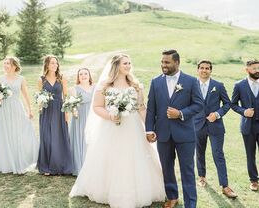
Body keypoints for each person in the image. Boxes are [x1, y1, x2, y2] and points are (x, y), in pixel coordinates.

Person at [70, 54, 165, 208]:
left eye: (129, 63)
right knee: (112, 157)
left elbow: (141, 108)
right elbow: (96, 107)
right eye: (125, 63)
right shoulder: (105, 86)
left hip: (133, 128)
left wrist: (149, 129)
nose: (128, 66)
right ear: (116, 66)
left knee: (135, 156)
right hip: (111, 128)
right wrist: (110, 116)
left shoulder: (136, 86)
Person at [145, 49, 203, 208]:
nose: (163, 65)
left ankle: (190, 203)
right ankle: (172, 196)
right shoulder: (155, 81)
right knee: (167, 168)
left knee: (187, 170)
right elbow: (151, 108)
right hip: (163, 134)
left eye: (167, 62)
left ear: (177, 63)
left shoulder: (191, 81)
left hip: (185, 134)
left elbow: (199, 105)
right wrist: (149, 129)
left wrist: (181, 113)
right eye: (162, 62)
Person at [194, 60, 237, 198]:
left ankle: (225, 186)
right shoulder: (191, 85)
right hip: (197, 125)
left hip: (216, 126)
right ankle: (201, 176)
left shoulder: (218, 85)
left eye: (207, 68)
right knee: (199, 152)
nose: (204, 70)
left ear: (211, 70)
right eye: (202, 68)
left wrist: (217, 114)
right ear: (198, 70)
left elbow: (227, 104)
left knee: (218, 154)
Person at [0, 57, 39, 174]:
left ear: (14, 65)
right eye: (4, 63)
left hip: (16, 108)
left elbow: (25, 95)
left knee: (18, 133)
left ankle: (20, 161)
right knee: (5, 134)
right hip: (3, 109)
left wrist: (30, 110)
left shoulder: (21, 79)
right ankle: (7, 163)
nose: (5, 65)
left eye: (8, 63)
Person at [37, 55, 72, 175]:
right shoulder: (41, 80)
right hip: (46, 111)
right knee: (46, 137)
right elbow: (40, 98)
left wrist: (66, 112)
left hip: (59, 110)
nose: (55, 65)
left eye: (56, 63)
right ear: (47, 64)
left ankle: (61, 165)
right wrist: (40, 108)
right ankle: (46, 166)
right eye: (52, 63)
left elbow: (66, 96)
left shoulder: (61, 78)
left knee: (59, 136)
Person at [231, 59, 259, 191]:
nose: (257, 71)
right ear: (247, 70)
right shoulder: (239, 85)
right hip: (248, 126)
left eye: (258, 68)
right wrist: (244, 111)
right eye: (254, 68)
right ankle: (254, 180)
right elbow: (233, 104)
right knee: (250, 154)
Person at [69, 68, 95, 176]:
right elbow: (72, 104)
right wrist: (74, 111)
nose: (83, 76)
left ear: (89, 75)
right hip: (80, 117)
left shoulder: (96, 87)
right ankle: (81, 165)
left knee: (92, 139)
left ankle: (92, 165)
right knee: (82, 139)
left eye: (85, 73)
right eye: (81, 74)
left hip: (93, 116)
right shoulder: (74, 89)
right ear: (78, 77)